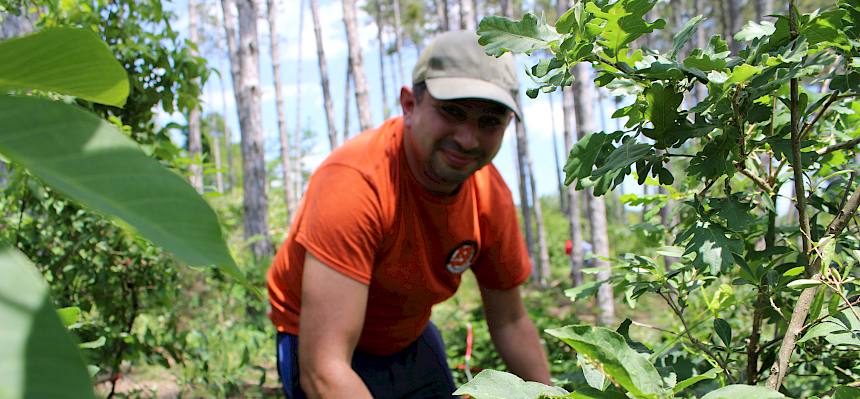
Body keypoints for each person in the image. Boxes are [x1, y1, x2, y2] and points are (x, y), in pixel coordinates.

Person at [266, 30, 551, 399]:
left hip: (407, 335)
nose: (468, 139)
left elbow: (511, 322)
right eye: (453, 112)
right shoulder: (355, 184)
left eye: (489, 122)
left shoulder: (489, 196)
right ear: (409, 105)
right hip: (317, 338)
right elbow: (325, 368)